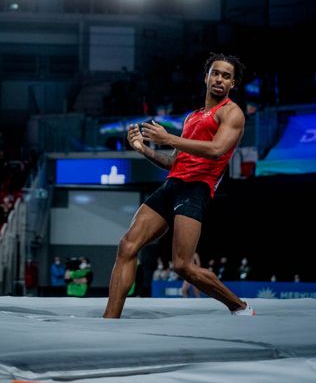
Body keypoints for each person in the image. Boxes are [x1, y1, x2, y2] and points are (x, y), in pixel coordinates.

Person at [103, 53, 255, 318]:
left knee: (182, 266)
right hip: (172, 185)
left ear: (233, 85)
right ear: (206, 77)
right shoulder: (192, 117)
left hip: (196, 189)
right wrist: (144, 150)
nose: (219, 79)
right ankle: (109, 321)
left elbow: (216, 149)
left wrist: (169, 138)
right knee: (127, 246)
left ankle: (239, 306)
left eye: (226, 76)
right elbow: (174, 163)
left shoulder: (232, 113)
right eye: (215, 73)